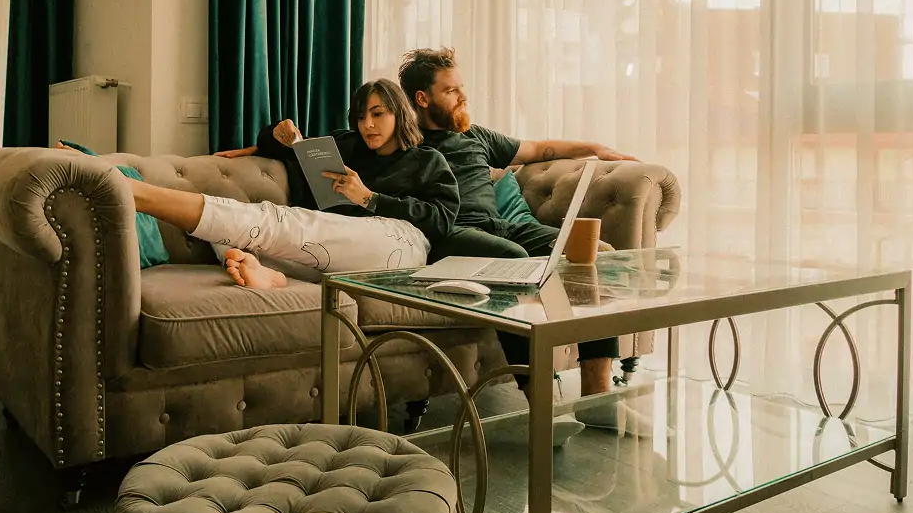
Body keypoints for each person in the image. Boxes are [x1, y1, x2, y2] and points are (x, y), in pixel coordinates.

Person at [398, 47, 648, 438]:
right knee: (514, 262)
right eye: (451, 90)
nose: (463, 96)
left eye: (461, 87)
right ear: (422, 98)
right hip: (453, 235)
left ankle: (598, 399)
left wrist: (594, 148)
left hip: (502, 227)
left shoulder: (476, 136)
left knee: (593, 254)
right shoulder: (404, 144)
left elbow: (539, 148)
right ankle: (544, 410)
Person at [102, 79, 460, 288]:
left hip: (400, 243)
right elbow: (286, 149)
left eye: (377, 114)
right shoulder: (348, 145)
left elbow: (442, 220)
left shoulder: (427, 160)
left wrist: (369, 198)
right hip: (338, 246)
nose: (367, 124)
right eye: (361, 116)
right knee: (234, 235)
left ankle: (136, 192)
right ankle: (270, 273)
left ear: (399, 112)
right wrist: (277, 133)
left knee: (286, 223)